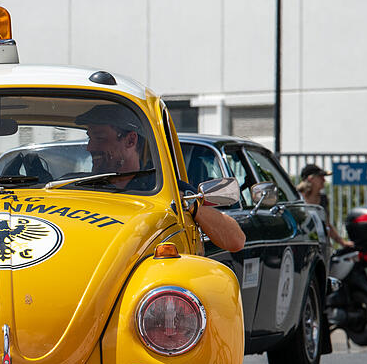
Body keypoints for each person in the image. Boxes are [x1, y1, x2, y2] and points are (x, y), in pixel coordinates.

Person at [75, 104, 245, 253]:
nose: (90, 147)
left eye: (99, 138)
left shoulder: (165, 189)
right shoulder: (73, 187)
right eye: (90, 138)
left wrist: (190, 205)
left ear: (130, 140)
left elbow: (236, 241)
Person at [297, 164, 354, 248]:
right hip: (300, 243)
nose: (324, 180)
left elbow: (326, 224)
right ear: (311, 179)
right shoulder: (297, 198)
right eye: (321, 177)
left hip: (319, 245)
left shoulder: (323, 199)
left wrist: (342, 242)